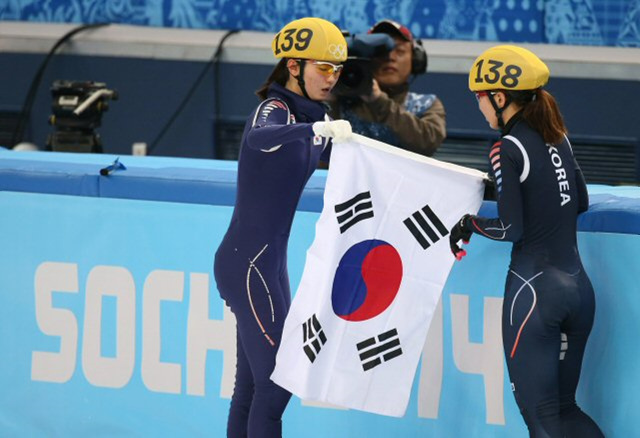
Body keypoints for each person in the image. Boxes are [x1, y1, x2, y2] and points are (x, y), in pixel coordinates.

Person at [449, 45, 604, 437]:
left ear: (499, 97)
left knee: (542, 418)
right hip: (578, 289)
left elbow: (510, 229)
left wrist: (468, 222)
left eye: (480, 98)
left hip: (534, 292)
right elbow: (580, 201)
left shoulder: (507, 146)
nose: (480, 106)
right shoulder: (558, 137)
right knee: (566, 411)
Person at [213, 17, 352, 438]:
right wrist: (315, 128)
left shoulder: (316, 117)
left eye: (338, 70)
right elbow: (260, 137)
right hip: (247, 263)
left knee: (253, 387)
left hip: (269, 263)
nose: (331, 78)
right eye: (323, 68)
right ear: (293, 67)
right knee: (275, 388)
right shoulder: (276, 109)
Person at [329, 19, 446, 156]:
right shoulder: (340, 99)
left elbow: (427, 143)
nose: (390, 57)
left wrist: (379, 101)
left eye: (400, 51)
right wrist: (329, 101)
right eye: (381, 52)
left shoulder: (427, 104)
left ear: (415, 59)